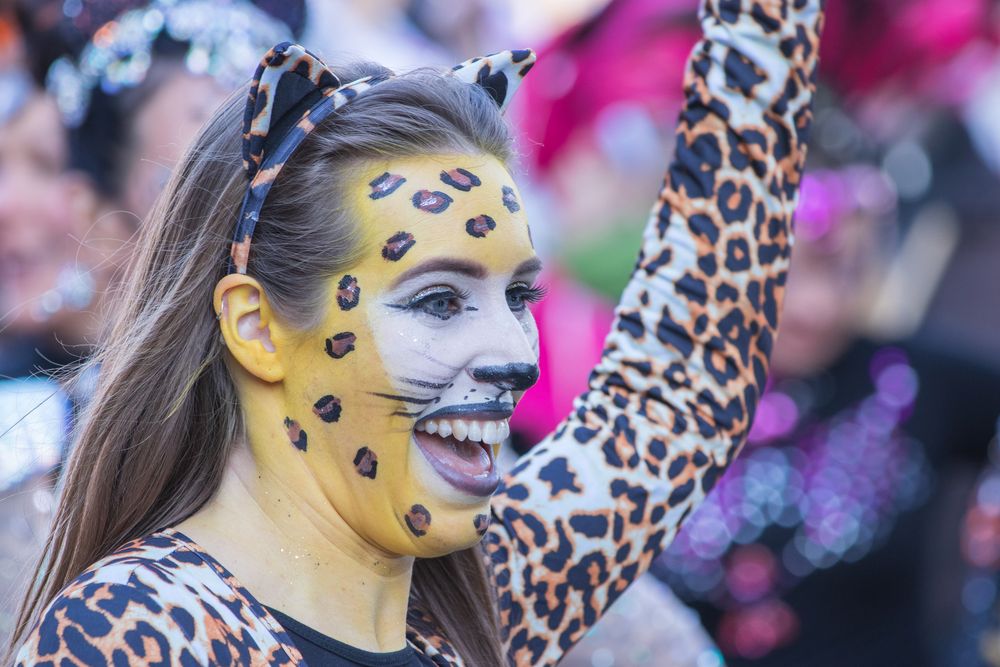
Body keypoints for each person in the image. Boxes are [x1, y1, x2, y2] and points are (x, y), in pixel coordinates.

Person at [8, 1, 824, 665]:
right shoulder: (148, 629)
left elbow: (672, 390)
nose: (514, 355)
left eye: (519, 296)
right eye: (439, 301)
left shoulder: (470, 607)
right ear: (257, 327)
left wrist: (763, 35)